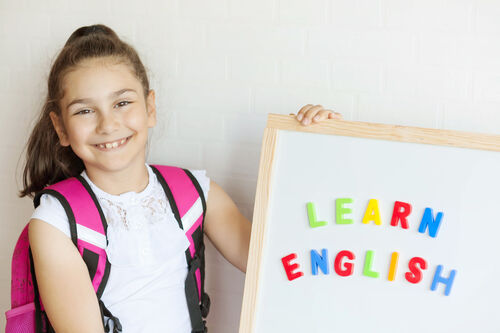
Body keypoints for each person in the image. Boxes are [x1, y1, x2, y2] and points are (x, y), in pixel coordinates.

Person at [20, 24, 342, 332]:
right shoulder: (55, 221)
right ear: (61, 127)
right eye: (84, 111)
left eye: (122, 103)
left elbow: (278, 259)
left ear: (150, 108)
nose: (108, 124)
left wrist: (315, 145)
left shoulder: (194, 192)